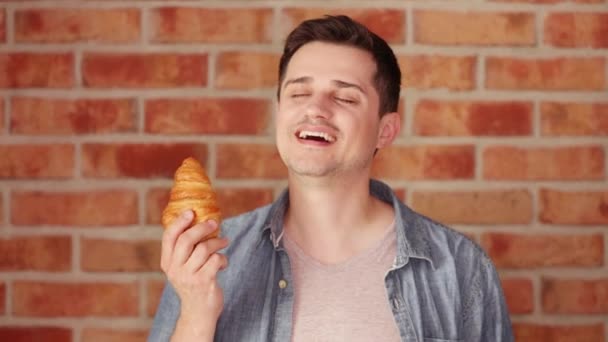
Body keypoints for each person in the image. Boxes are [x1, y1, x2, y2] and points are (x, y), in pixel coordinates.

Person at [149, 15, 514, 342]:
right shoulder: (208, 262)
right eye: (299, 92)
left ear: (385, 131)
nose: (315, 108)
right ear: (280, 113)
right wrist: (197, 314)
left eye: (345, 97)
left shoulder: (460, 268)